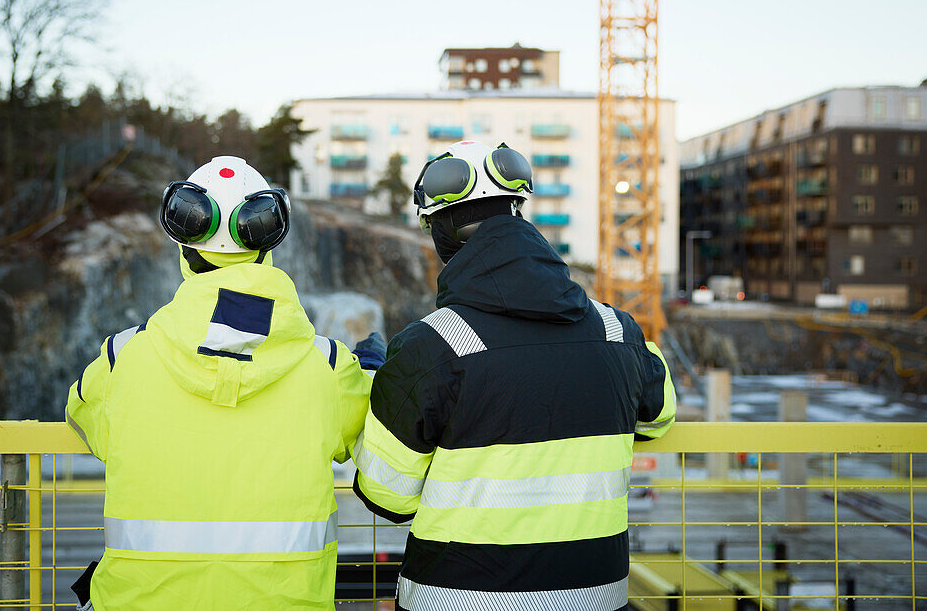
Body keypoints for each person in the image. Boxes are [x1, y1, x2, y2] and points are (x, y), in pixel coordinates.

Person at [351, 140, 676, 611]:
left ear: (442, 231)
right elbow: (658, 416)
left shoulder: (430, 345)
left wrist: (388, 384)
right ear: (519, 214)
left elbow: (388, 496)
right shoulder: (616, 330)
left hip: (458, 600)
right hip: (593, 598)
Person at [65, 156, 381, 610]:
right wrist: (369, 370)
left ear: (185, 247)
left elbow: (85, 417)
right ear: (264, 247)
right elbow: (374, 427)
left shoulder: (122, 357)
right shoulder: (329, 368)